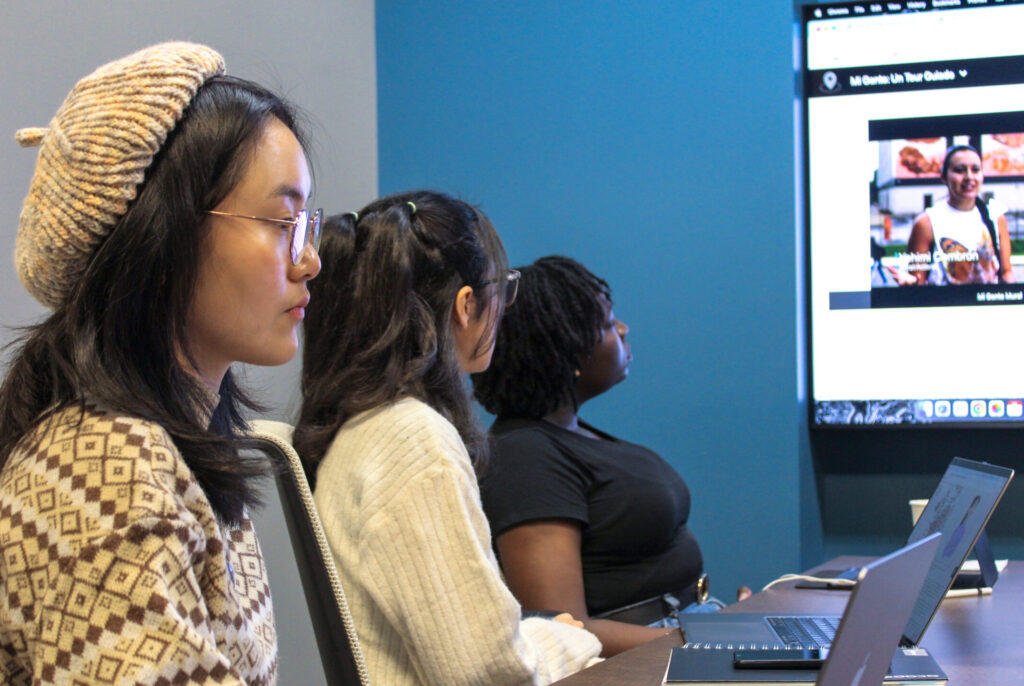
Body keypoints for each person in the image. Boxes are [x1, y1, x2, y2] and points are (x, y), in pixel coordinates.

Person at [0, 43, 322, 685]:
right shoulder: (103, 469)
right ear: (164, 235)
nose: (308, 259)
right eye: (282, 222)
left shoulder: (170, 443)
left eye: (305, 224)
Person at [293, 192, 602, 685]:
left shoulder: (363, 427)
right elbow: (489, 673)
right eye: (503, 288)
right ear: (465, 305)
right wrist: (568, 637)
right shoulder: (412, 440)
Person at [471, 256, 742, 657]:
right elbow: (563, 628)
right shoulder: (525, 456)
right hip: (650, 657)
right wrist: (715, 641)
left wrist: (731, 624)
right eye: (607, 324)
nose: (623, 329)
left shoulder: (566, 433)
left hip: (689, 630)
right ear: (568, 353)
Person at [906, 144, 1015, 285]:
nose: (969, 177)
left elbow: (1006, 272)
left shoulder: (995, 217)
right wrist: (909, 284)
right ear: (944, 177)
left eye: (975, 170)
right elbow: (917, 282)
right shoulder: (926, 223)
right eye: (959, 170)